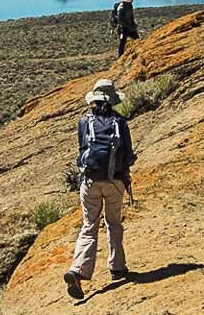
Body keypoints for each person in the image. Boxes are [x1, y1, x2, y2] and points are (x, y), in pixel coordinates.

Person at [65, 80, 137, 299]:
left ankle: (78, 270)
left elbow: (82, 149)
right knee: (113, 223)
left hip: (89, 182)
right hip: (114, 181)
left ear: (93, 101)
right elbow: (129, 154)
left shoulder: (84, 122)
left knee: (89, 225)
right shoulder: (120, 123)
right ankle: (117, 268)